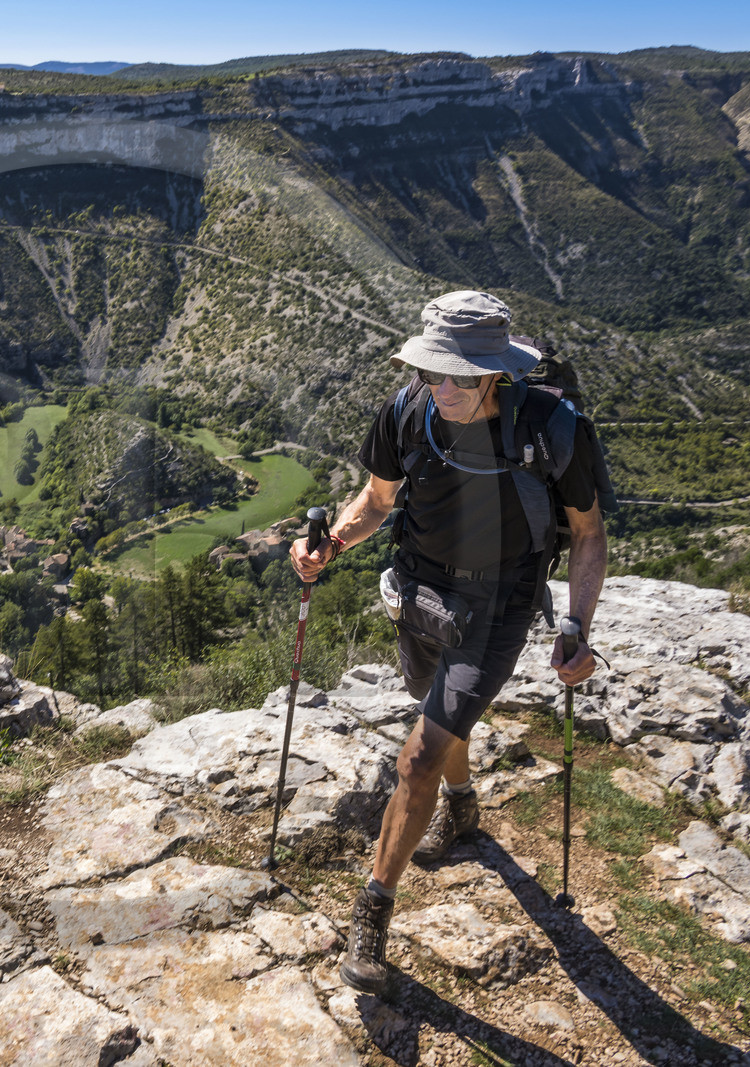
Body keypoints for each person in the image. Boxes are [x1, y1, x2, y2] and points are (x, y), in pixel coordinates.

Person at [289, 290, 608, 994]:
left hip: (498, 604)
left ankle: (371, 911)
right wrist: (330, 545)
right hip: (418, 590)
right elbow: (376, 500)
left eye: (462, 375)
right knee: (432, 709)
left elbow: (587, 534)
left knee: (418, 754)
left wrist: (576, 627)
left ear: (496, 372)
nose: (444, 388)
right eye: (434, 371)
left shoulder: (551, 429)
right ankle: (462, 805)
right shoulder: (407, 411)